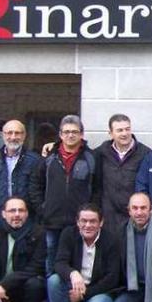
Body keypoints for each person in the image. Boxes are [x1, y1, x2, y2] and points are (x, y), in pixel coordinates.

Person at [29, 114, 97, 278]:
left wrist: (91, 214)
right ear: (60, 134)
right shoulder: (49, 158)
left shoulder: (91, 158)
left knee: (78, 264)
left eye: (74, 131)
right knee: (51, 264)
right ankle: (54, 299)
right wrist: (42, 209)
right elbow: (35, 185)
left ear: (81, 134)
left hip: (80, 224)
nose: (70, 135)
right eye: (66, 132)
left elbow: (97, 188)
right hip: (53, 221)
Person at [47, 204, 121, 302]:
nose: (87, 225)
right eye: (84, 221)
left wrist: (84, 293)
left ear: (101, 222)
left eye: (92, 221)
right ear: (77, 222)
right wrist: (72, 273)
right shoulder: (68, 234)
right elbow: (59, 263)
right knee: (54, 281)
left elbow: (112, 278)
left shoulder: (111, 240)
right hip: (75, 285)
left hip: (100, 290)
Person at [0, 119, 40, 236]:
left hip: (27, 225)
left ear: (24, 136)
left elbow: (38, 196)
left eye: (17, 133)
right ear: (3, 135)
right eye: (9, 133)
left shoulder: (35, 161)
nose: (13, 137)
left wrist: (37, 226)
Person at [93, 114, 152, 230]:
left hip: (135, 218)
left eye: (127, 129)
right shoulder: (101, 152)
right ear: (110, 133)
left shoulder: (146, 154)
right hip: (108, 218)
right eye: (119, 130)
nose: (124, 133)